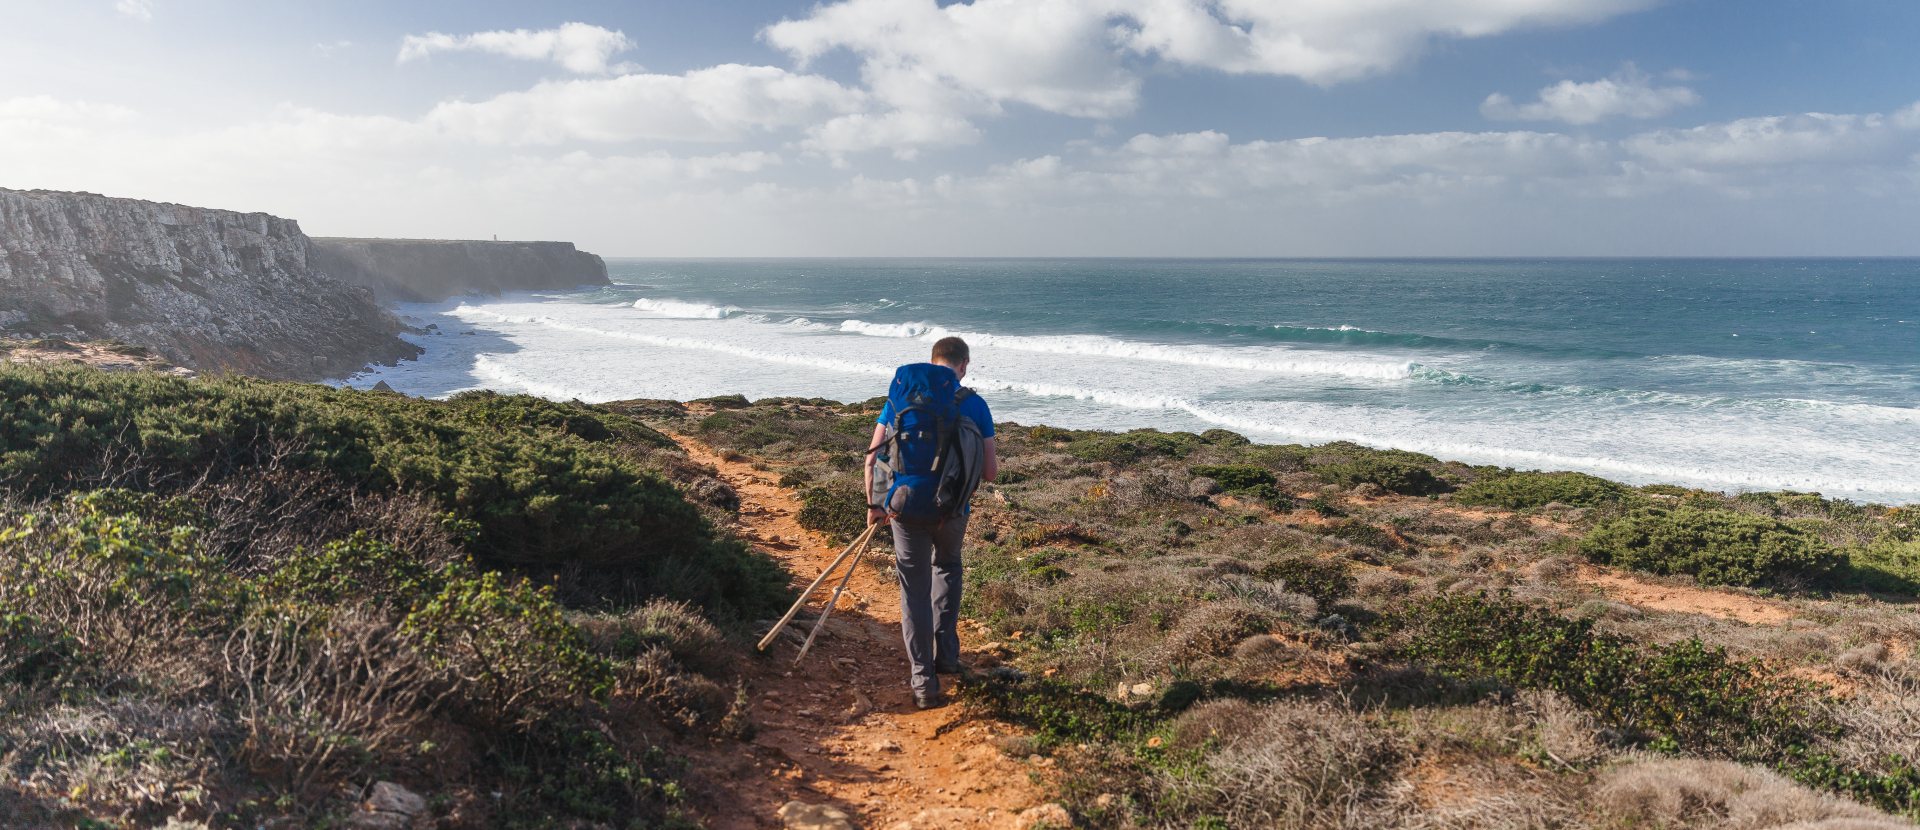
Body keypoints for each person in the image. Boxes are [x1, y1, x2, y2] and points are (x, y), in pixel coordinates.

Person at [864, 336, 998, 709]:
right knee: (949, 568)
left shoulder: (899, 399)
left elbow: (873, 460)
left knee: (914, 590)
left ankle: (923, 681)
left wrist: (875, 506)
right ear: (963, 365)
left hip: (903, 508)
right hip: (953, 509)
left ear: (932, 360)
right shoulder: (974, 403)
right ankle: (948, 657)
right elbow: (989, 473)